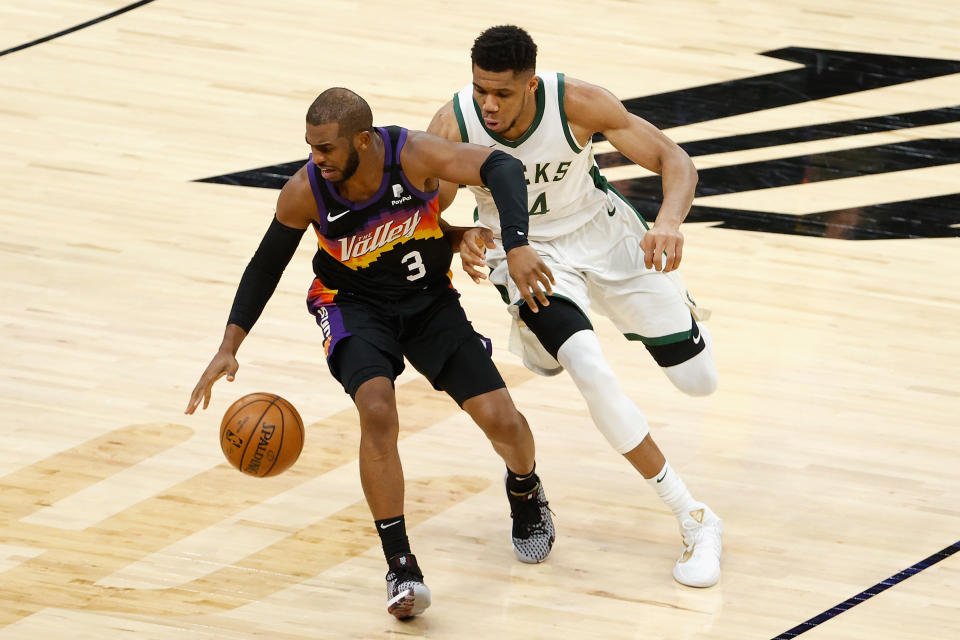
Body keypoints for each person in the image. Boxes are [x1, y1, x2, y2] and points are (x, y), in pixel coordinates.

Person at [185, 87, 557, 619]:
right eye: (311, 147)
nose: (317, 159)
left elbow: (500, 165)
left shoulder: (414, 155)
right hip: (352, 306)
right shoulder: (305, 191)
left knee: (504, 423)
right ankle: (400, 565)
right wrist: (229, 346)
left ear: (362, 139)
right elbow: (265, 264)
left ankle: (524, 488)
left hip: (430, 303)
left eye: (327, 149)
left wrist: (513, 242)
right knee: (377, 409)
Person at [427, 25, 723, 588]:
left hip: (605, 234)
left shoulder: (578, 103)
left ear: (531, 85)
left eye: (503, 94)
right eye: (480, 89)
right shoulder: (453, 126)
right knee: (590, 369)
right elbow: (423, 211)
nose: (488, 105)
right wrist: (453, 234)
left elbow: (673, 159)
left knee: (699, 383)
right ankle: (695, 516)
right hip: (526, 257)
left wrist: (667, 224)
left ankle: (643, 323)